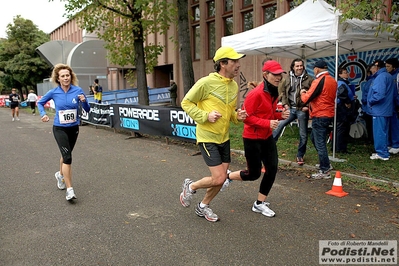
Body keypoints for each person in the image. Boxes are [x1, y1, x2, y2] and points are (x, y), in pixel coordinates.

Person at [179, 46, 247, 222]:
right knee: (219, 178)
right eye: (235, 61)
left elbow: (230, 112)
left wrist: (237, 116)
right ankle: (191, 186)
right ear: (223, 64)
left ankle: (203, 206)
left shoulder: (233, 86)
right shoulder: (205, 83)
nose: (238, 65)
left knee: (222, 179)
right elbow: (186, 102)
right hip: (207, 136)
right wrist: (205, 116)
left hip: (224, 137)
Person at [221, 60, 289, 217]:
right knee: (254, 174)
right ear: (265, 75)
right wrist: (268, 123)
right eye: (275, 74)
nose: (278, 77)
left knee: (272, 168)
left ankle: (259, 203)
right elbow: (246, 118)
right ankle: (228, 176)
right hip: (252, 138)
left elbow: (268, 113)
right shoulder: (255, 94)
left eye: (280, 74)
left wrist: (279, 115)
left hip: (267, 137)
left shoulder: (273, 92)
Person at [37, 63, 90, 201]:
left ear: (71, 77)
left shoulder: (78, 90)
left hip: (73, 128)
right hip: (59, 127)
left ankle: (60, 175)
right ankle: (70, 190)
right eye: (63, 76)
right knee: (67, 158)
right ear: (58, 79)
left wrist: (84, 101)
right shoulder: (54, 92)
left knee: (66, 154)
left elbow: (87, 109)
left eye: (68, 75)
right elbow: (40, 103)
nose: (66, 78)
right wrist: (43, 114)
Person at [273, 58, 314, 165]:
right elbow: (283, 92)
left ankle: (300, 155)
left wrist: (308, 106)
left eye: (301, 66)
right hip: (290, 109)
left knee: (303, 134)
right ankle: (269, 149)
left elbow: (314, 95)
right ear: (293, 67)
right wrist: (285, 103)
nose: (299, 68)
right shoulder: (287, 79)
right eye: (297, 66)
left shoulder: (309, 79)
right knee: (279, 125)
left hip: (302, 110)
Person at [300, 60, 337, 179]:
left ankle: (325, 170)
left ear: (317, 69)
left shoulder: (319, 81)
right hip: (328, 113)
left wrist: (302, 93)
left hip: (320, 114)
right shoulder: (333, 80)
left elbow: (306, 98)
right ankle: (325, 162)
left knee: (320, 142)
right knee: (315, 138)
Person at [367, 59, 396, 160]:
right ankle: (384, 150)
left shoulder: (381, 77)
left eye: (372, 69)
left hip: (379, 109)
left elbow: (379, 94)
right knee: (384, 131)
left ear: (376, 67)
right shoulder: (388, 76)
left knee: (379, 132)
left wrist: (370, 101)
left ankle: (382, 153)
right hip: (386, 109)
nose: (371, 71)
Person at [334, 67, 355, 153]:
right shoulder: (341, 83)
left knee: (339, 128)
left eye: (347, 72)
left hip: (340, 107)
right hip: (342, 108)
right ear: (340, 74)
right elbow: (342, 94)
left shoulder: (341, 82)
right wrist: (348, 101)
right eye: (345, 72)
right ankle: (340, 148)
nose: (347, 74)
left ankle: (337, 147)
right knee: (342, 128)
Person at [385, 57, 399, 154]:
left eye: (388, 66)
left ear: (394, 67)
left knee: (395, 126)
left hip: (396, 105)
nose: (386, 68)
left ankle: (396, 145)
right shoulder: (388, 76)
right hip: (389, 105)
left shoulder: (397, 76)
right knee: (389, 125)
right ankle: (390, 143)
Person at [360, 65, 375, 144]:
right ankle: (370, 138)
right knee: (370, 124)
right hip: (368, 107)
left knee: (370, 125)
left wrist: (364, 101)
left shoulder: (371, 81)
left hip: (368, 107)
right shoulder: (370, 81)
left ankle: (371, 139)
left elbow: (368, 94)